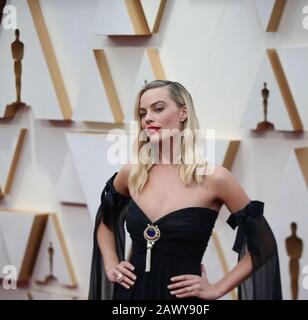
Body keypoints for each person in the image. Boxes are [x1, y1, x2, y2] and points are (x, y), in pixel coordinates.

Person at [89, 80, 282, 300]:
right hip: (130, 296)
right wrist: (111, 263)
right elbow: (105, 221)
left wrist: (218, 289)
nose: (148, 118)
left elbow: (264, 244)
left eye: (158, 109)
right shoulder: (132, 174)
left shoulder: (215, 178)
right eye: (143, 113)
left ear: (183, 113)